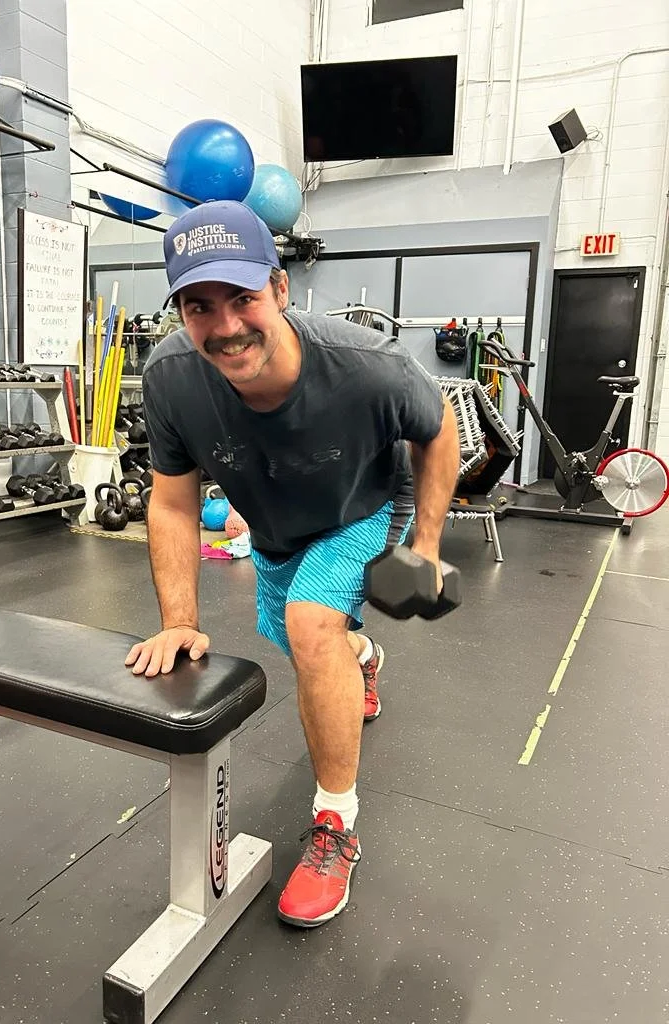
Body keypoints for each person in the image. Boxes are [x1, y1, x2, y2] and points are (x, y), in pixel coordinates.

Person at [125, 200, 461, 928]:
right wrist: (179, 620)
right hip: (276, 527)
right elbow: (174, 503)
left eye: (241, 297)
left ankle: (336, 825)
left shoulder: (366, 366)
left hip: (361, 508)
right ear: (180, 311)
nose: (225, 326)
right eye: (199, 306)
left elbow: (438, 428)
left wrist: (428, 547)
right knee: (306, 642)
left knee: (311, 628)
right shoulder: (171, 377)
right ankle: (363, 658)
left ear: (280, 289)